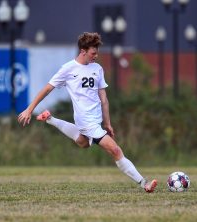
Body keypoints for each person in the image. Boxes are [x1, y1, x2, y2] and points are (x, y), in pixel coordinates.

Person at [17, 32, 157, 193]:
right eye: (93, 53)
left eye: (97, 52)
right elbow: (47, 89)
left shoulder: (97, 69)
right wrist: (29, 109)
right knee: (116, 150)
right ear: (83, 51)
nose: (96, 56)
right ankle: (143, 183)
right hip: (85, 120)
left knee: (83, 142)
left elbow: (103, 98)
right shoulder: (68, 69)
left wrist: (108, 123)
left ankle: (50, 119)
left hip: (95, 120)